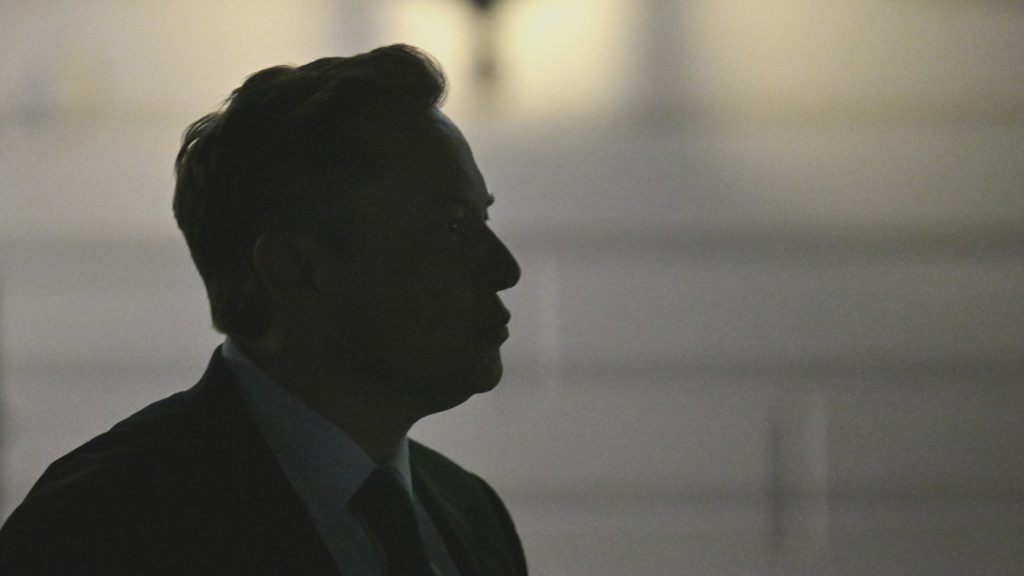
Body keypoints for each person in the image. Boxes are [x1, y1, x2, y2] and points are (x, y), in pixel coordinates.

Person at [0, 44, 527, 576]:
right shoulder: (97, 527)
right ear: (297, 265)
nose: (506, 269)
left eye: (482, 219)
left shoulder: (473, 514)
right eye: (452, 226)